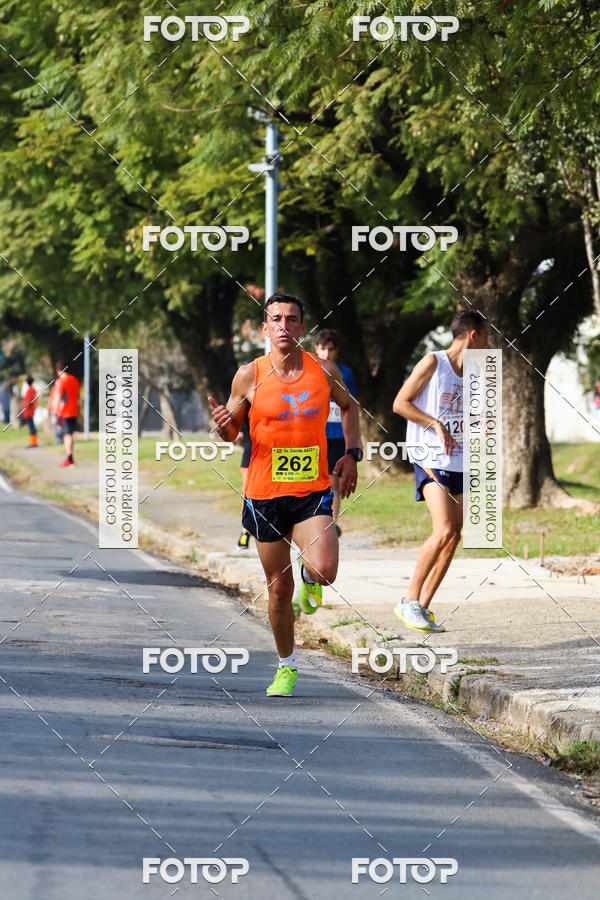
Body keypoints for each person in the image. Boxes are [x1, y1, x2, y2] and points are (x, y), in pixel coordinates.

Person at [209, 291, 362, 696]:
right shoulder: (249, 374)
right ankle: (286, 666)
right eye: (275, 319)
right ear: (264, 328)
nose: (283, 326)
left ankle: (312, 577)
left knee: (325, 569)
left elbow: (349, 408)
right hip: (264, 495)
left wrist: (351, 454)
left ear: (301, 327)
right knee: (279, 589)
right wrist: (223, 423)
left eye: (292, 319)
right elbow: (231, 433)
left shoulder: (323, 370)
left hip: (311, 490)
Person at [391, 309, 488, 633]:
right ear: (473, 334)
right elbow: (400, 403)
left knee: (455, 534)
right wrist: (435, 423)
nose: (487, 345)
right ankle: (408, 600)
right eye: (485, 338)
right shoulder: (433, 362)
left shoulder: (474, 373)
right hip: (430, 457)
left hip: (460, 460)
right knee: (444, 528)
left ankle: (422, 607)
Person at [314, 328, 359, 535]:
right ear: (316, 349)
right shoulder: (310, 372)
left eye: (331, 350)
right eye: (323, 349)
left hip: (337, 435)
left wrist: (355, 442)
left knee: (334, 480)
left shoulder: (345, 373)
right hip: (316, 434)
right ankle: (314, 519)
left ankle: (332, 522)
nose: (327, 354)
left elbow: (352, 405)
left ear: (337, 351)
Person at [54, 361, 81, 467]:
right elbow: (78, 395)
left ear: (58, 370)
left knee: (67, 435)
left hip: (65, 412)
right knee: (69, 434)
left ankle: (69, 458)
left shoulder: (61, 381)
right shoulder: (74, 380)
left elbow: (59, 397)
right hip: (73, 410)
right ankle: (70, 457)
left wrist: (55, 412)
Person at [237, 426, 253, 548]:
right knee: (248, 494)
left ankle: (245, 533)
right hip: (250, 458)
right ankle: (245, 532)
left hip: (270, 459)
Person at [21, 375, 38, 448]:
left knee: (31, 428)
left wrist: (24, 408)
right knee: (32, 427)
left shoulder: (29, 390)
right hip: (31, 411)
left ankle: (33, 443)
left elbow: (28, 401)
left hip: (28, 412)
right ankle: (33, 443)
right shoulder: (33, 389)